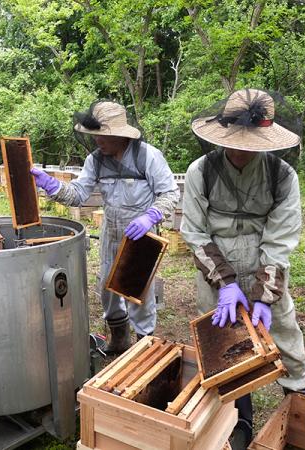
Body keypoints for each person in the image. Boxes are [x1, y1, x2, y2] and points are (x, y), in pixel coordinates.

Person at [180, 88, 305, 449]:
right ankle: (239, 423)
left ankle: (301, 417)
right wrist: (224, 281)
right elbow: (193, 231)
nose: (240, 150)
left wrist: (265, 296)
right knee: (224, 344)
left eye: (250, 144)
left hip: (263, 261)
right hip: (214, 263)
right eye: (235, 142)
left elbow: (280, 240)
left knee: (285, 336)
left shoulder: (282, 176)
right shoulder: (201, 171)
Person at [31, 100, 180, 354]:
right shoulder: (96, 160)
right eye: (94, 136)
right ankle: (119, 339)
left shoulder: (148, 156)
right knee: (107, 287)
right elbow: (78, 194)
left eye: (103, 136)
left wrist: (150, 216)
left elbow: (170, 193)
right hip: (111, 229)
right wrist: (52, 185)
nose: (98, 141)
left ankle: (144, 346)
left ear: (119, 135)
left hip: (141, 234)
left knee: (139, 292)